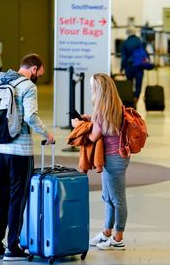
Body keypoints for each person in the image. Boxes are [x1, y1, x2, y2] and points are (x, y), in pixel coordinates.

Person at [0, 54, 55, 261]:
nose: (38, 78)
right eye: (39, 74)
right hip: (19, 151)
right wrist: (47, 135)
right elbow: (31, 116)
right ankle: (12, 247)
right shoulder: (28, 86)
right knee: (17, 198)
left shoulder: (0, 81)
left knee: (2, 199)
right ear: (33, 69)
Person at [71, 73, 129, 251]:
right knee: (109, 197)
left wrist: (78, 126)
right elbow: (103, 126)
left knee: (117, 199)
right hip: (117, 157)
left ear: (98, 89)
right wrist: (91, 119)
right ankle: (106, 232)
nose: (90, 90)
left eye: (91, 87)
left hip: (113, 159)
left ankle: (118, 237)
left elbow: (94, 135)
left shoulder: (101, 110)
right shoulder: (114, 105)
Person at [120, 26, 146, 108]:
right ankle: (136, 98)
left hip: (129, 66)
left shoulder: (125, 43)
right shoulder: (140, 41)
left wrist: (121, 68)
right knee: (138, 84)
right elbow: (144, 53)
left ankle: (130, 100)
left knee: (129, 83)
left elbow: (123, 57)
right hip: (139, 66)